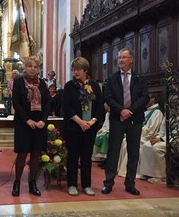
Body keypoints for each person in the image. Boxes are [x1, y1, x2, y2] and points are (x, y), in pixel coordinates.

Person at [101, 48, 149, 196]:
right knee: (113, 151)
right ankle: (108, 183)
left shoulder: (140, 78)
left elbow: (144, 97)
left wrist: (130, 111)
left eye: (124, 57)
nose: (120, 60)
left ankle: (130, 184)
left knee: (133, 153)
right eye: (119, 57)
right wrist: (121, 110)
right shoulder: (112, 78)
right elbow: (108, 97)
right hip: (117, 118)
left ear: (131, 60)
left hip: (135, 119)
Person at [62, 57, 104, 196]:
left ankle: (86, 185)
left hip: (90, 127)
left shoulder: (94, 85)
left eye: (78, 69)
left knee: (86, 157)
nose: (75, 72)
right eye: (73, 69)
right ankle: (72, 184)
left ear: (85, 70)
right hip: (74, 127)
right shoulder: (69, 86)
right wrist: (80, 122)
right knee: (73, 157)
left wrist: (92, 122)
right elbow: (66, 107)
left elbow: (99, 106)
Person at [11, 56, 50, 197]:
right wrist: (28, 120)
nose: (32, 69)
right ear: (25, 68)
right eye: (30, 66)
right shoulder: (18, 82)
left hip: (39, 124)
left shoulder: (42, 84)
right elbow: (16, 103)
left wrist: (43, 121)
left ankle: (32, 182)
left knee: (36, 154)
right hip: (24, 123)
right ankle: (17, 182)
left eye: (35, 66)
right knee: (22, 154)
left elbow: (47, 104)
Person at [117, 93, 164, 177]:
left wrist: (137, 131)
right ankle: (123, 169)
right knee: (124, 140)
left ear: (153, 99)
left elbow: (152, 129)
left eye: (146, 99)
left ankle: (129, 171)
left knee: (130, 142)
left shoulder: (157, 112)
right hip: (142, 134)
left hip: (147, 136)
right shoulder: (147, 111)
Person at [138, 116, 166, 181]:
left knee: (156, 148)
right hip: (163, 139)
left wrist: (160, 139)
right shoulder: (167, 116)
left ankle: (160, 176)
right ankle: (147, 173)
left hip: (173, 141)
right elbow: (162, 131)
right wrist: (157, 137)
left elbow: (175, 135)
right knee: (146, 145)